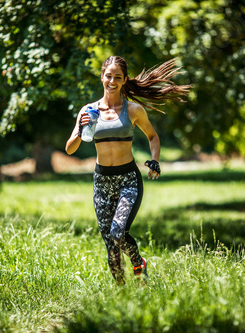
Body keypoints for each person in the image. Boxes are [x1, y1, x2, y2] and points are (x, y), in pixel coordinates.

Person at [65, 56, 190, 285]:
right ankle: (121, 295)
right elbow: (70, 148)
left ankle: (138, 264)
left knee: (118, 233)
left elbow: (153, 136)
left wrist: (155, 160)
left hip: (128, 180)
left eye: (117, 77)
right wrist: (81, 129)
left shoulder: (133, 110)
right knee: (111, 247)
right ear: (102, 77)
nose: (112, 81)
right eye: (108, 76)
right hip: (102, 182)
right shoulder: (88, 110)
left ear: (124, 81)